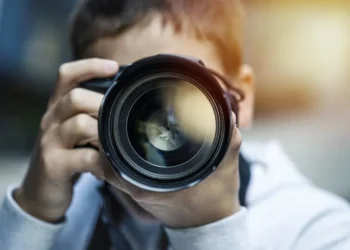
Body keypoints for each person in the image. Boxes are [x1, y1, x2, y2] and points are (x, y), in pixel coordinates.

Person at [1, 0, 350, 249]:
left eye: (186, 95)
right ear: (82, 96)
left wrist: (209, 230)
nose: (157, 129)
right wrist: (33, 213)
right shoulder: (57, 211)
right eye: (131, 97)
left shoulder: (319, 230)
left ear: (240, 99)